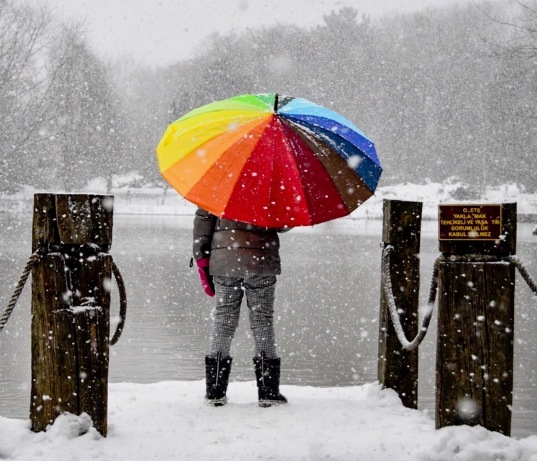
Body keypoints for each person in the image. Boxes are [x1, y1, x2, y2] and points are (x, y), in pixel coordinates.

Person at [192, 207, 289, 407]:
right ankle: (268, 391)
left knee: (223, 321)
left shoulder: (217, 187)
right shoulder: (272, 185)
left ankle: (215, 390)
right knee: (262, 321)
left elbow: (202, 223)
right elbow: (283, 223)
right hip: (261, 261)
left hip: (225, 261)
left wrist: (202, 259)